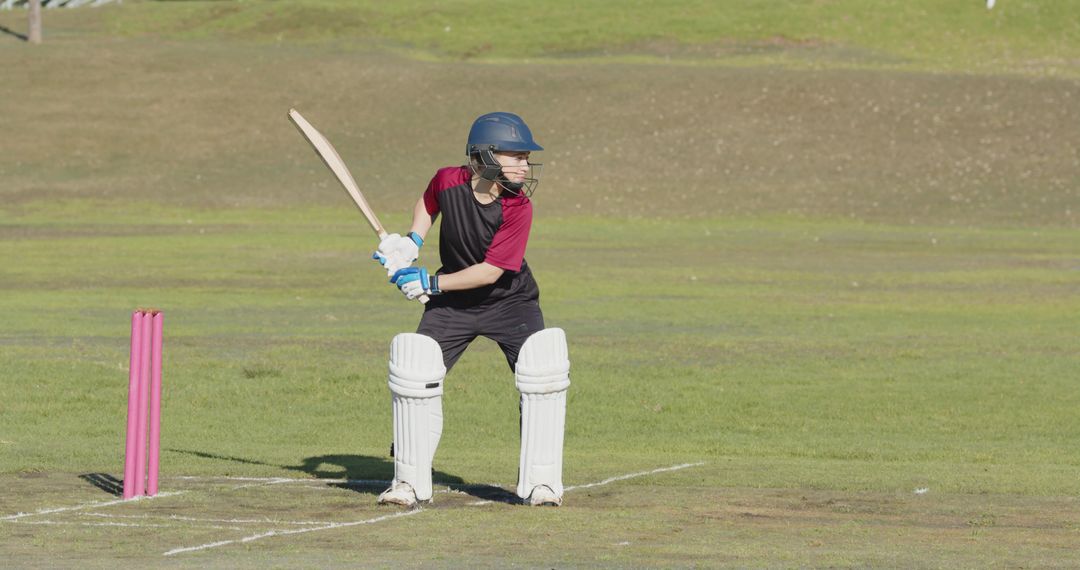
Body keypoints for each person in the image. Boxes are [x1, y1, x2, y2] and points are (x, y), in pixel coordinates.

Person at [372, 112, 570, 508]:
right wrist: (412, 240)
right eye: (516, 156)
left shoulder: (518, 208)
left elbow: (491, 270)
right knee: (416, 369)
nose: (525, 165)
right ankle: (409, 481)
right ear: (485, 155)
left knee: (541, 371)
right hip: (454, 306)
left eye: (525, 158)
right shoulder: (449, 180)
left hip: (510, 302)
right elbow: (429, 203)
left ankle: (541, 483)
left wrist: (430, 282)